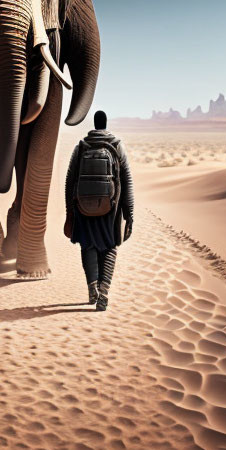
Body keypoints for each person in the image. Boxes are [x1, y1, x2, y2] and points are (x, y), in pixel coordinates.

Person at [64, 110, 134, 311]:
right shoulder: (117, 145)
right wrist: (129, 213)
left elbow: (70, 181)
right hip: (111, 209)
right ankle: (104, 294)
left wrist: (70, 210)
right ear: (106, 124)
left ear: (94, 124)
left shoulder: (81, 146)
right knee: (110, 247)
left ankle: (92, 288)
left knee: (88, 246)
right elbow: (127, 181)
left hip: (83, 208)